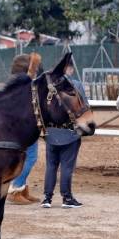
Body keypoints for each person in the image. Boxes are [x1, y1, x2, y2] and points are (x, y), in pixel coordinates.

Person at [42, 63, 86, 209]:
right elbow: (83, 106)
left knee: (51, 166)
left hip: (51, 132)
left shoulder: (47, 86)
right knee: (67, 167)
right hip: (70, 133)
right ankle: (66, 198)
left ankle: (47, 198)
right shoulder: (76, 85)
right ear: (70, 69)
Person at [6, 54, 42, 205]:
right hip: (23, 127)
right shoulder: (22, 84)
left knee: (26, 158)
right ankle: (15, 189)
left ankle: (22, 189)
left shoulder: (14, 83)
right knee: (30, 157)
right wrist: (33, 66)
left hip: (20, 127)